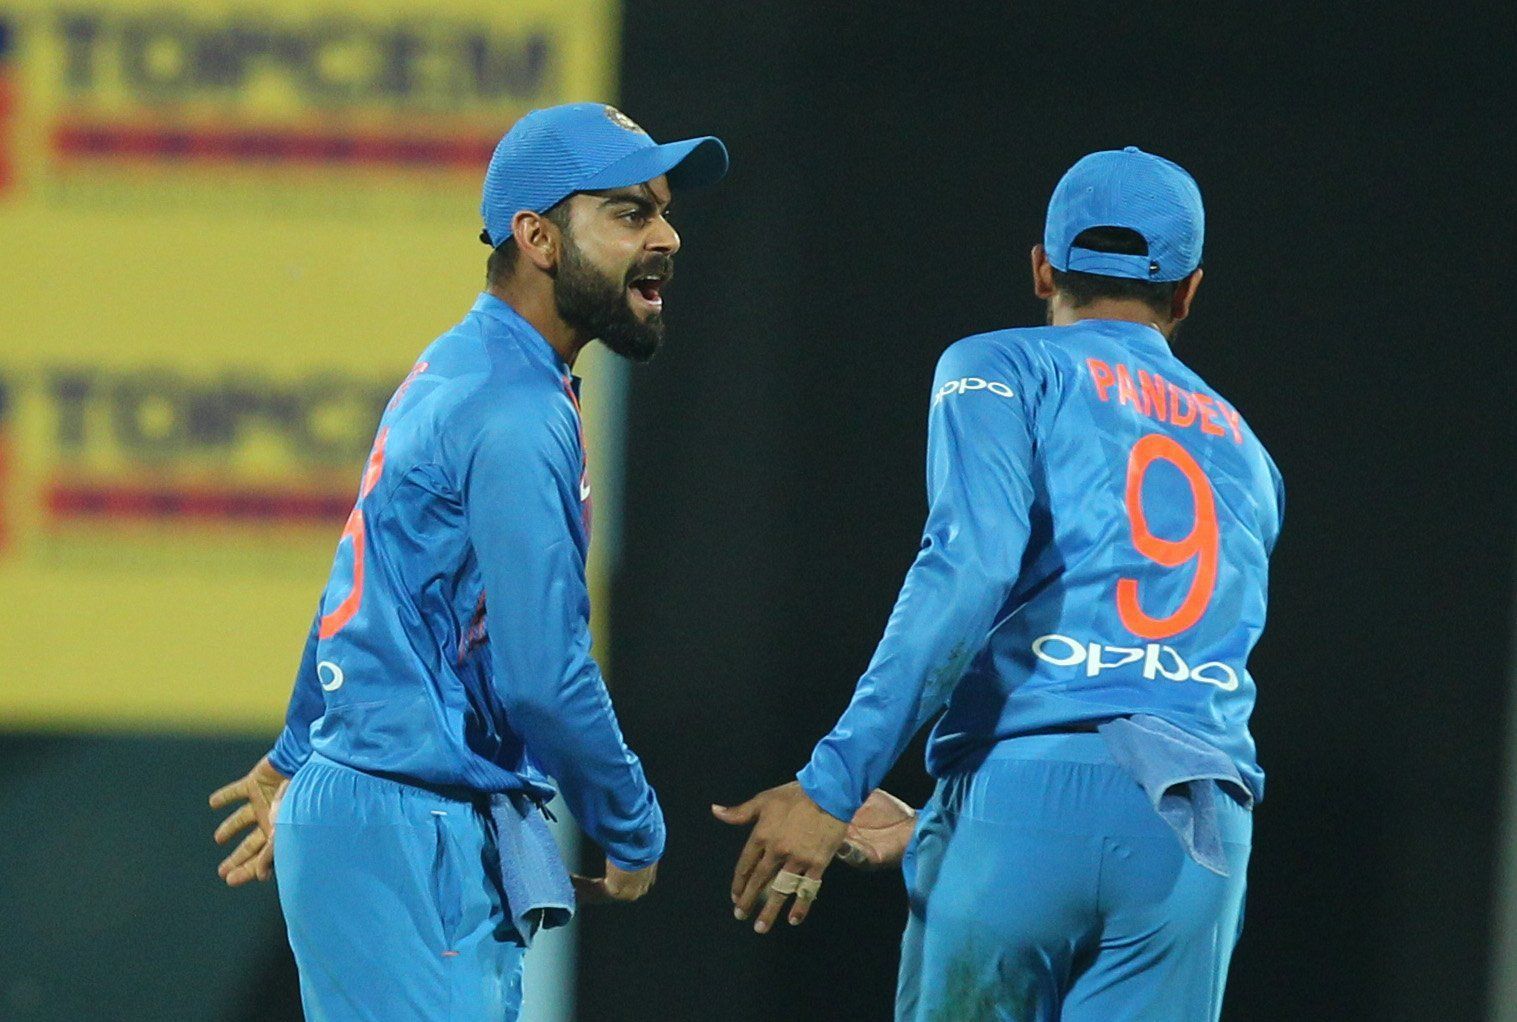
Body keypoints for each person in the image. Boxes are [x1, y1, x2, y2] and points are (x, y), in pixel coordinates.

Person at [715, 147, 1283, 1021]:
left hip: (1020, 801)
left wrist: (834, 783)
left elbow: (969, 565)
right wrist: (937, 830)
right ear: (1188, 292)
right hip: (1196, 833)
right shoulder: (1249, 454)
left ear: (1042, 268)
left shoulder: (1002, 366)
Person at [208, 102, 728, 1020]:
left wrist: (297, 749)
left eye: (662, 210)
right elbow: (543, 679)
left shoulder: (468, 364)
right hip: (411, 824)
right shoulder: (514, 408)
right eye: (629, 212)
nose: (667, 236)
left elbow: (367, 572)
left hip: (391, 815)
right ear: (537, 237)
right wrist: (630, 824)